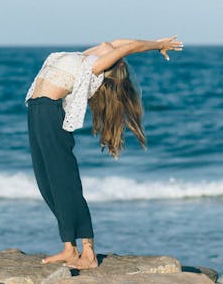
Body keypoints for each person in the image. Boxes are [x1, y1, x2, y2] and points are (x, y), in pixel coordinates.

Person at [25, 36, 183, 269]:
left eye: (114, 51)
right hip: (36, 111)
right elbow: (120, 42)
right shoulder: (87, 56)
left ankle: (88, 253)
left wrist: (157, 45)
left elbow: (129, 47)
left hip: (50, 113)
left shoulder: (96, 65)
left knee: (63, 181)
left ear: (112, 63)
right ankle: (70, 248)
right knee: (46, 183)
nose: (111, 45)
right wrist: (130, 44)